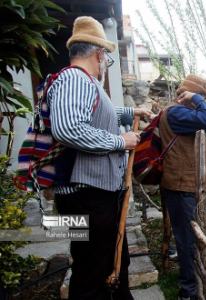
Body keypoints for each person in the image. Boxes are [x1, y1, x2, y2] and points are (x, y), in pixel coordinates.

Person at [49, 16, 151, 299]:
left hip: (93, 194)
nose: (106, 61)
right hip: (85, 195)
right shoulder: (74, 79)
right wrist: (121, 141)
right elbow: (69, 128)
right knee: (91, 272)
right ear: (99, 54)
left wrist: (130, 114)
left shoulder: (84, 83)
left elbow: (97, 114)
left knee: (109, 262)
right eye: (106, 56)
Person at [159, 74, 206, 300]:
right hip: (181, 186)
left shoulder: (182, 114)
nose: (203, 101)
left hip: (186, 185)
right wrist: (196, 98)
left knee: (191, 238)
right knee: (186, 240)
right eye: (201, 97)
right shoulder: (176, 112)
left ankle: (196, 281)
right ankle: (189, 291)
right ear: (189, 93)